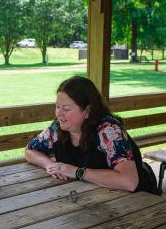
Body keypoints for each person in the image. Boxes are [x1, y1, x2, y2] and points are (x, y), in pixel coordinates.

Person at [25, 76, 157, 194]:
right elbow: (30, 150)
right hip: (91, 197)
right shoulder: (57, 128)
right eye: (57, 107)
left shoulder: (108, 131)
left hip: (138, 201)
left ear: (88, 111)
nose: (59, 114)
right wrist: (50, 165)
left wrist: (77, 172)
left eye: (66, 108)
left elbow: (129, 182)